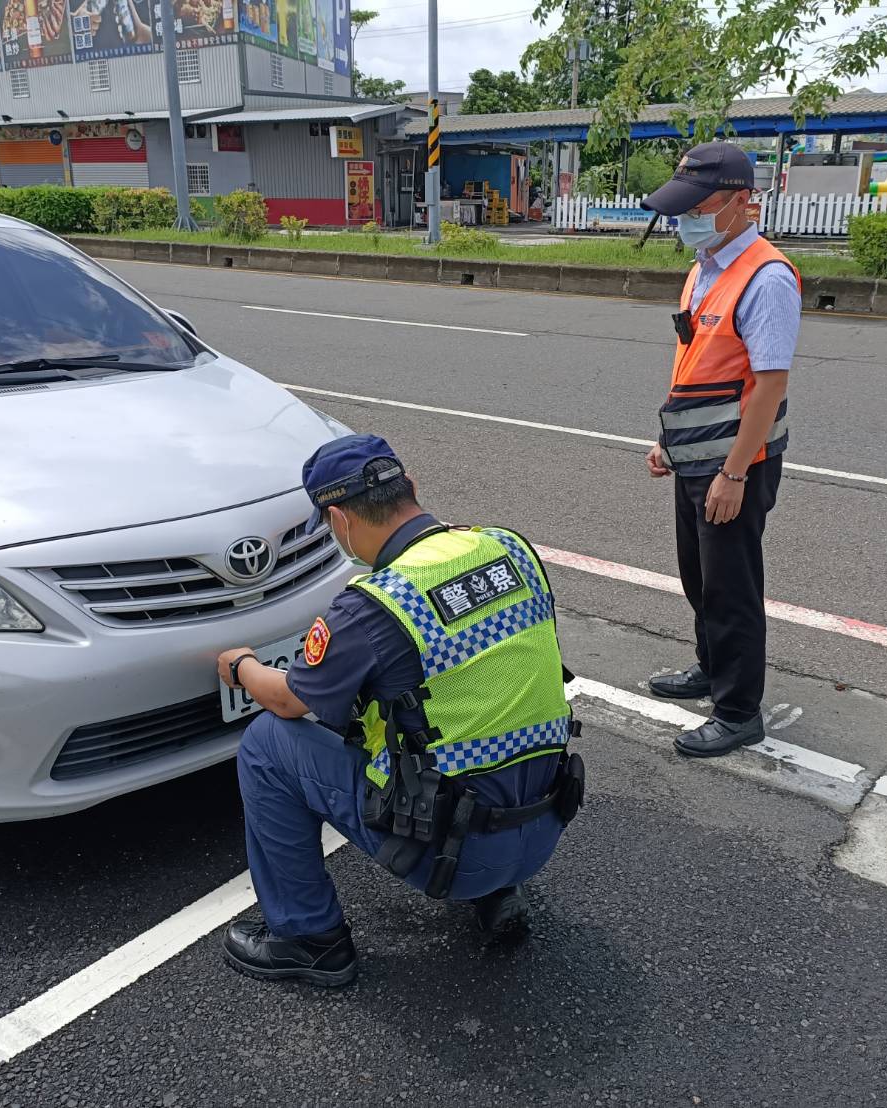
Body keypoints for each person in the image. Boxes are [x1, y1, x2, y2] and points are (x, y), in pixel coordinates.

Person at [215, 434, 584, 987]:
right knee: (462, 710)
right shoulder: (511, 549)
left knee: (269, 744)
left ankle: (309, 940)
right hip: (543, 828)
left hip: (456, 856)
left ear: (337, 520)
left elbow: (288, 699)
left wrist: (240, 665)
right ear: (411, 487)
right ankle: (500, 893)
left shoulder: (378, 604)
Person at [639, 141, 801, 758]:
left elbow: (768, 385)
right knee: (699, 578)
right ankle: (710, 668)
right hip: (695, 456)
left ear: (742, 204)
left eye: (696, 208)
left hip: (736, 463)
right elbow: (697, 366)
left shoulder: (766, 277)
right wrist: (669, 442)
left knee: (732, 587)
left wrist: (734, 472)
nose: (685, 221)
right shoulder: (707, 262)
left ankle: (737, 711)